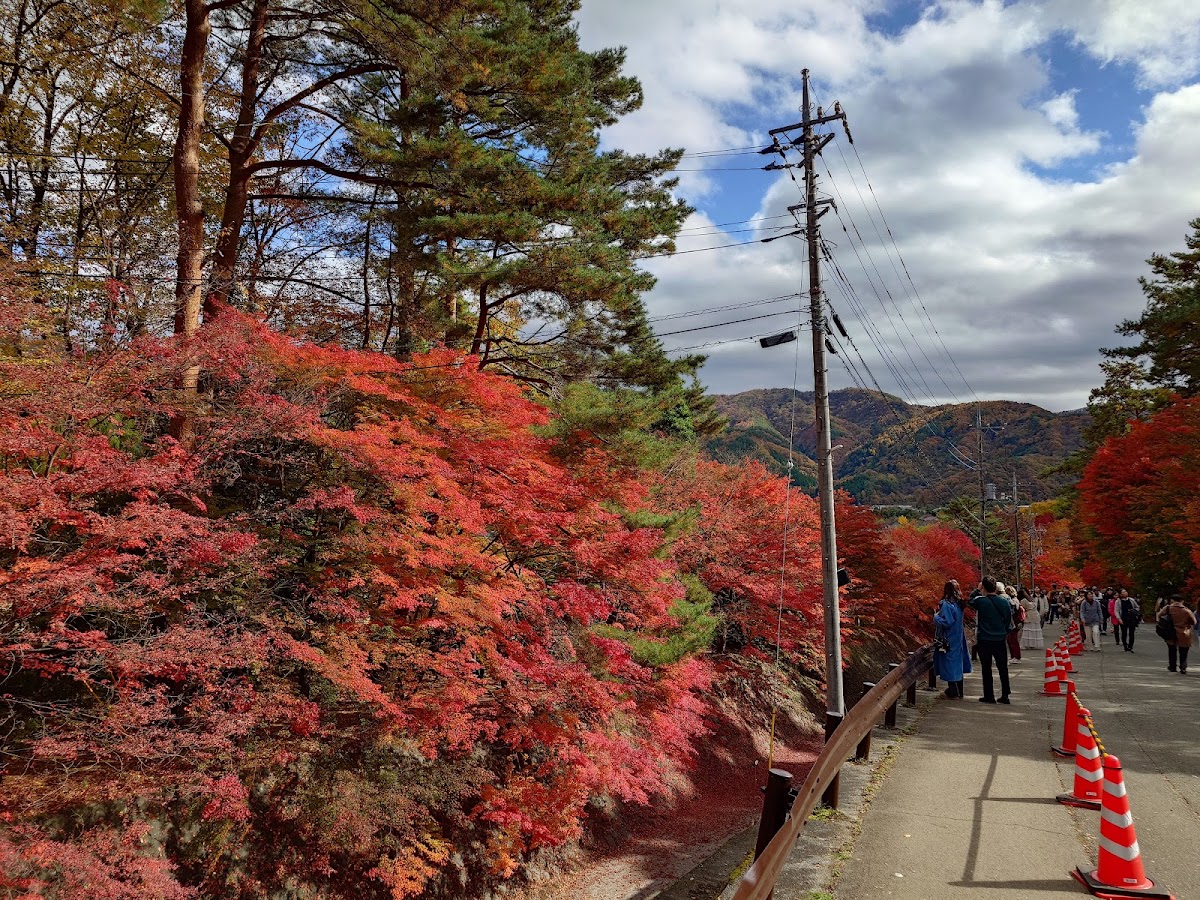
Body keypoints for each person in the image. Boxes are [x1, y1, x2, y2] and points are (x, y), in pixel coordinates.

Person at [969, 576, 1012, 704]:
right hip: (1000, 638)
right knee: (1002, 667)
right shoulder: (1004, 601)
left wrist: (977, 590)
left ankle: (989, 695)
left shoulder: (981, 601)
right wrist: (1002, 631)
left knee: (986, 668)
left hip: (985, 638)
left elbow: (969, 601)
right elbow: (1008, 620)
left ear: (984, 587)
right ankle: (1005, 694)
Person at [934, 580, 971, 699]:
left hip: (948, 637)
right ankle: (959, 690)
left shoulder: (946, 604)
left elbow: (947, 622)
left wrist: (935, 617)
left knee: (949, 662)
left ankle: (953, 690)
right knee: (957, 663)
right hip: (958, 636)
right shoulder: (959, 603)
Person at [1162, 594, 1196, 674]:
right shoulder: (1187, 610)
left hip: (1171, 631)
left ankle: (1172, 667)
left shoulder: (1168, 608)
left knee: (1172, 650)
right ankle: (1183, 667)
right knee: (1183, 651)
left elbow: (1160, 615)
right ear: (1181, 601)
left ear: (1172, 600)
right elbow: (1194, 622)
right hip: (1184, 632)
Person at [1002, 583, 1023, 661]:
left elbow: (1014, 611)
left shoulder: (1013, 601)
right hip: (1014, 622)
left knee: (1013, 640)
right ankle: (1013, 656)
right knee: (1010, 640)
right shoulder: (1015, 600)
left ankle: (1016, 656)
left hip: (1014, 622)